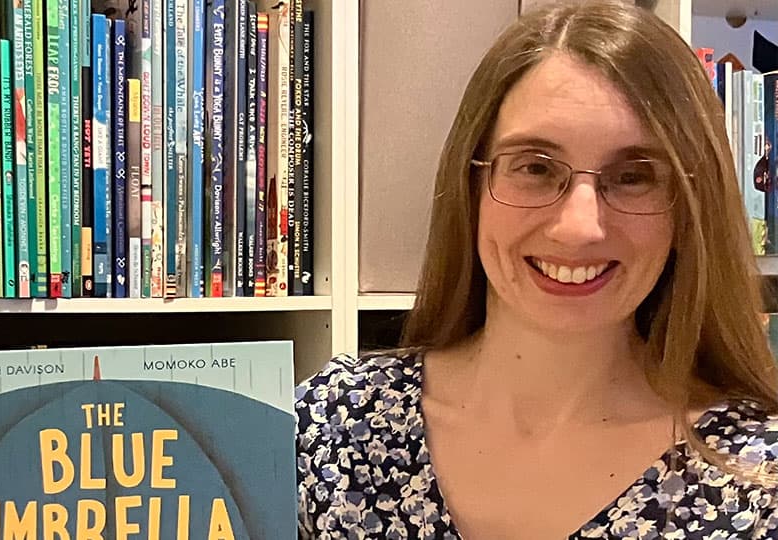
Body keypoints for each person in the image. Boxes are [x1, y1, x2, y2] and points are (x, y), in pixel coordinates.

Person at [295, 1, 778, 538]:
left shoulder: (760, 480)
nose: (579, 227)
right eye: (535, 168)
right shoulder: (331, 429)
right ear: (471, 185)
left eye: (634, 177)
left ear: (689, 209)